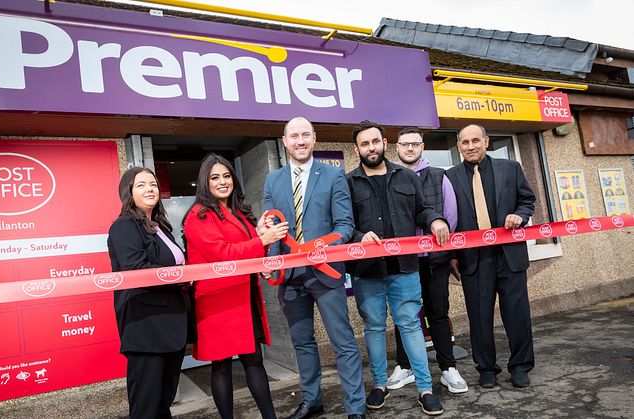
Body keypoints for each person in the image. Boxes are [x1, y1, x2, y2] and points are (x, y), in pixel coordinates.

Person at [263, 117, 366, 419]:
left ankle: (356, 408)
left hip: (325, 271)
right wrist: (271, 261)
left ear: (314, 138)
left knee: (342, 341)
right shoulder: (273, 180)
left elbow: (345, 224)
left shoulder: (333, 176)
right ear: (285, 141)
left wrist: (322, 249)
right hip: (290, 277)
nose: (300, 141)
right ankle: (312, 401)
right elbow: (271, 226)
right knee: (302, 342)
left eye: (305, 135)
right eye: (294, 136)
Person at [346, 120, 449, 416]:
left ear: (384, 143)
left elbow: (422, 210)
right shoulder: (348, 182)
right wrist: (357, 237)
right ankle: (379, 384)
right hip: (367, 272)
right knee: (374, 328)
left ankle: (425, 388)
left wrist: (435, 220)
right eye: (364, 144)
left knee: (411, 326)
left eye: (375, 142)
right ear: (357, 149)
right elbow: (342, 224)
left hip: (404, 268)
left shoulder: (406, 176)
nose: (371, 148)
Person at [183, 154, 289, 419]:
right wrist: (262, 238)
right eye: (215, 177)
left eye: (227, 176)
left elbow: (248, 252)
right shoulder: (199, 216)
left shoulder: (238, 211)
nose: (222, 182)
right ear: (205, 182)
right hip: (219, 303)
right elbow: (223, 253)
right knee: (221, 366)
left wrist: (261, 245)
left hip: (244, 298)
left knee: (254, 360)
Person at [445, 124, 536, 389]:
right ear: (458, 146)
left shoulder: (510, 168)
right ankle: (486, 368)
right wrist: (452, 254)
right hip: (473, 259)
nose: (470, 146)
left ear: (486, 141)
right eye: (464, 142)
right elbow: (449, 218)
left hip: (510, 255)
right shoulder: (449, 177)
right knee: (479, 316)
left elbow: (527, 200)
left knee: (517, 314)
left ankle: (520, 367)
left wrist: (520, 215)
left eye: (475, 140)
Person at [107, 167, 192, 419]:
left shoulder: (160, 227)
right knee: (146, 407)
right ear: (128, 192)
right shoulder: (125, 225)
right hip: (146, 329)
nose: (150, 189)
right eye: (141, 185)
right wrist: (181, 277)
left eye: (153, 184)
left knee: (162, 403)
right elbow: (136, 269)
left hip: (171, 327)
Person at [388, 127, 468, 395]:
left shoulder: (439, 176)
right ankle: (405, 366)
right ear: (396, 147)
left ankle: (448, 368)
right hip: (403, 262)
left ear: (422, 147)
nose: (409, 148)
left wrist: (443, 250)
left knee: (438, 314)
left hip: (435, 261)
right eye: (405, 144)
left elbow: (451, 216)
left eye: (415, 144)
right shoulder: (390, 177)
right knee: (404, 315)